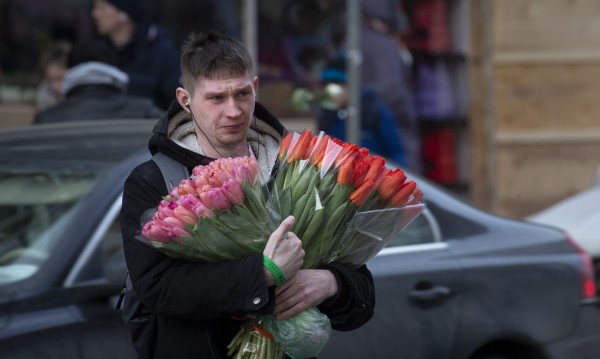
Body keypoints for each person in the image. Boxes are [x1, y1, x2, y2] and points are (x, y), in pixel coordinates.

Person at [120, 30, 375, 358]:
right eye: (216, 98)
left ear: (255, 88)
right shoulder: (153, 181)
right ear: (185, 100)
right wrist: (263, 274)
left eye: (242, 94)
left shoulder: (296, 167)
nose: (234, 111)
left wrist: (331, 283)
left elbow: (362, 287)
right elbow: (157, 288)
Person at [360, 0, 422, 174]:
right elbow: (391, 90)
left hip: (369, 127)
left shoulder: (356, 39)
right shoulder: (381, 44)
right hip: (389, 127)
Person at [34, 43, 163, 124]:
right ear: (114, 73)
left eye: (59, 78)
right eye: (51, 80)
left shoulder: (46, 120)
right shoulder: (144, 111)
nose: (55, 86)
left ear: (70, 74)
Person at [317, 54, 407, 167]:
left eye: (337, 84)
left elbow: (397, 152)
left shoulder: (373, 110)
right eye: (326, 85)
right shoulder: (327, 115)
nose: (330, 91)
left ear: (351, 86)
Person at [91, 0, 181, 110]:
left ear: (124, 13)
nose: (95, 14)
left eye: (102, 7)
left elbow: (176, 101)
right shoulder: (95, 51)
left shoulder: (158, 50)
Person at [34, 41, 72, 112]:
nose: (55, 87)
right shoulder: (44, 96)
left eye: (61, 79)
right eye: (51, 80)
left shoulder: (84, 95)